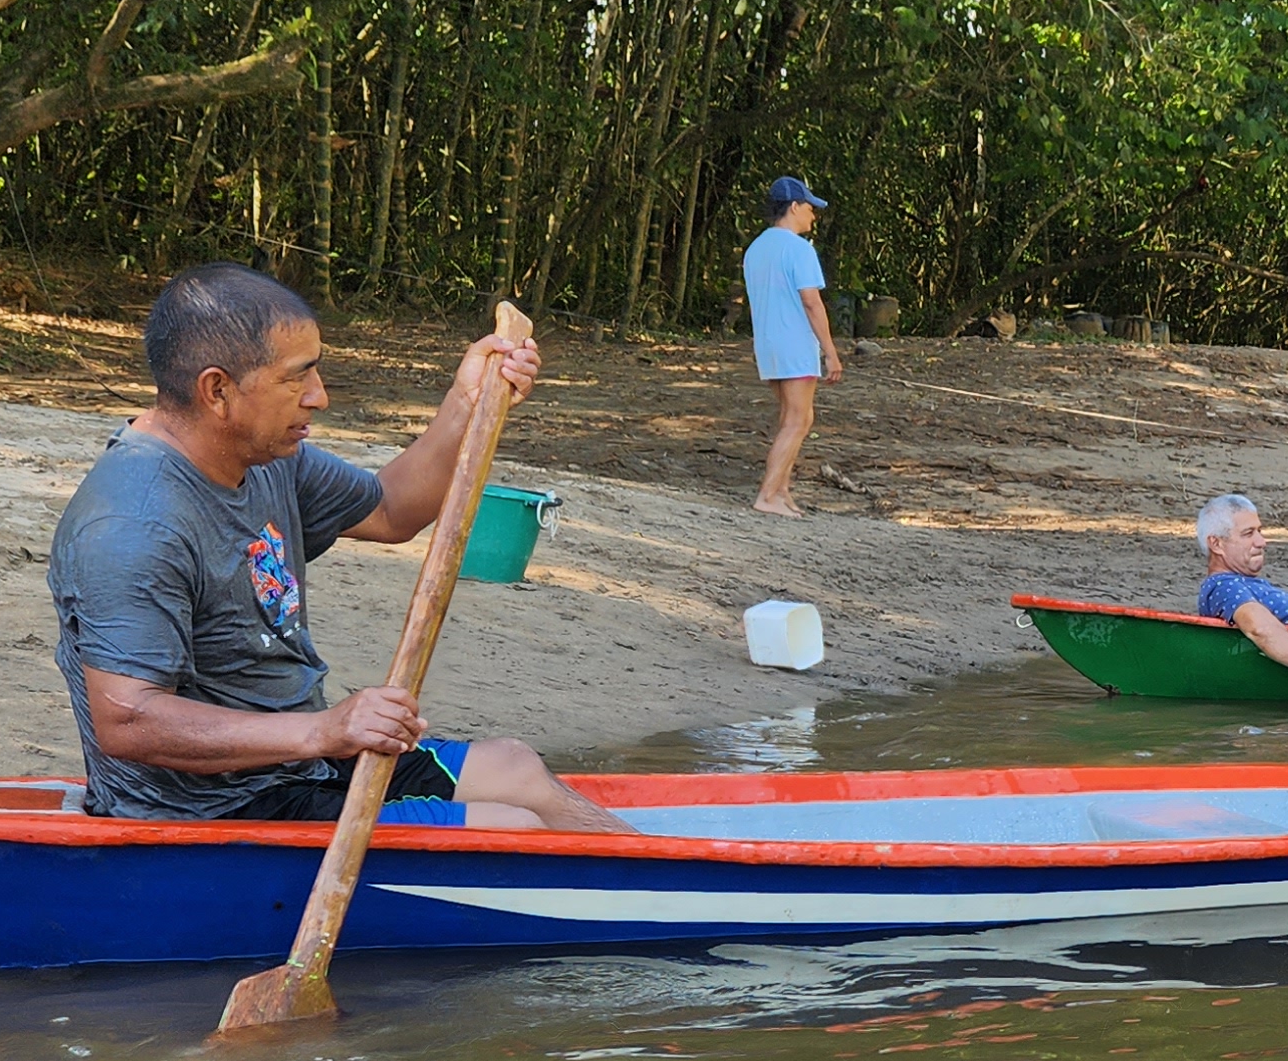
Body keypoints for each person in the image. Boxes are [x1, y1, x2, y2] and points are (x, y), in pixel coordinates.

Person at [48, 263, 635, 834]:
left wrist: (468, 403)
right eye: (295, 377)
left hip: (301, 761)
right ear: (217, 390)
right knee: (510, 828)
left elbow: (391, 510)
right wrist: (326, 731)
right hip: (208, 809)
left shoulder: (267, 459)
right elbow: (129, 721)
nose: (319, 397)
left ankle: (682, 879)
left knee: (513, 766)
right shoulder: (134, 524)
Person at [745, 177, 843, 518]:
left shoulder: (756, 248)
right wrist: (830, 350)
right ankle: (768, 494)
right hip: (794, 342)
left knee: (793, 416)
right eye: (811, 209)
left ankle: (782, 490)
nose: (813, 216)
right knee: (798, 420)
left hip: (769, 344)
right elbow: (812, 303)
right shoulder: (799, 249)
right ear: (795, 207)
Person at [1193, 492, 1288, 672]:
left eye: (1259, 531)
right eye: (1248, 534)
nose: (1262, 542)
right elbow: (1260, 629)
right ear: (1216, 544)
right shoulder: (1222, 586)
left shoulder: (1244, 584)